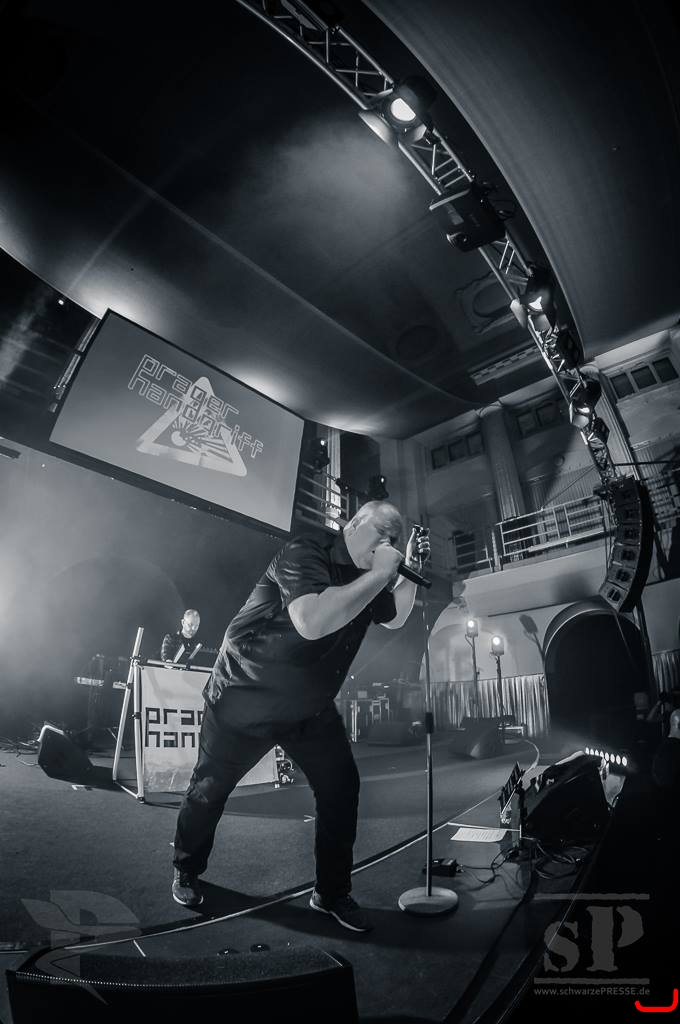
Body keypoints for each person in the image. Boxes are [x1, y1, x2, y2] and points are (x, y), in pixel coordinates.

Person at [172, 501, 429, 931]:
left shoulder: (369, 578)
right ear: (354, 524)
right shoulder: (306, 552)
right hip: (245, 695)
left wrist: (408, 570)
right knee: (209, 789)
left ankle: (331, 893)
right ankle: (186, 868)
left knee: (341, 787)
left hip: (307, 706)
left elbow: (396, 617)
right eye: (381, 532)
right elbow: (311, 621)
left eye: (394, 538)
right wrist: (381, 574)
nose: (388, 542)